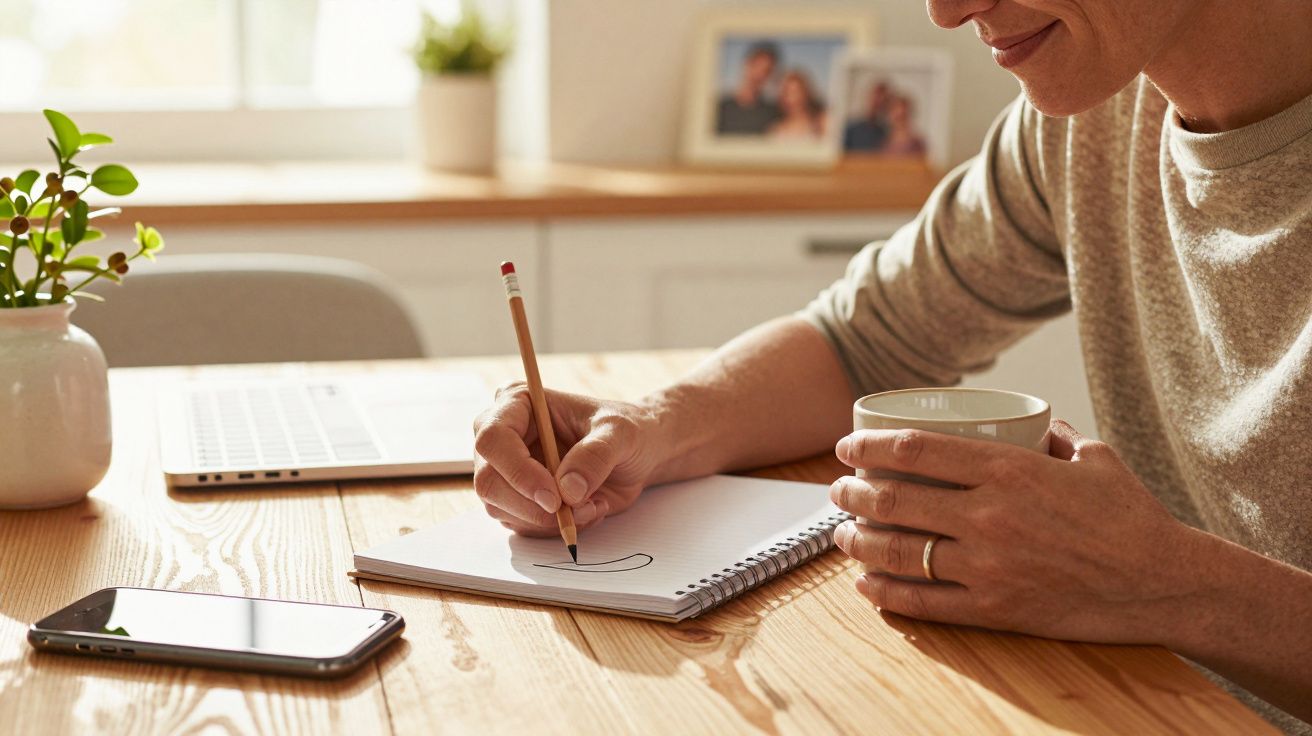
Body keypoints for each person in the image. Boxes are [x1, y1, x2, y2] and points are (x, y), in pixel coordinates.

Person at [474, 0, 1312, 730]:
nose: (947, 11)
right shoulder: (1091, 118)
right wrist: (649, 428)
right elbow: (861, 339)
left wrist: (1162, 582)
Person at [715, 40, 781, 135]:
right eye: (757, 67)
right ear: (746, 64)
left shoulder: (772, 113)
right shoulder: (720, 107)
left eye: (767, 71)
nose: (760, 75)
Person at [768, 70, 827, 140]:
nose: (792, 99)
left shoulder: (822, 123)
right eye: (786, 93)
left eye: (796, 92)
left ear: (807, 93)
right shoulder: (775, 130)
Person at [843, 81, 892, 151]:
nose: (878, 103)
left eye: (883, 101)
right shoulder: (851, 127)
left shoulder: (885, 130)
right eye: (875, 98)